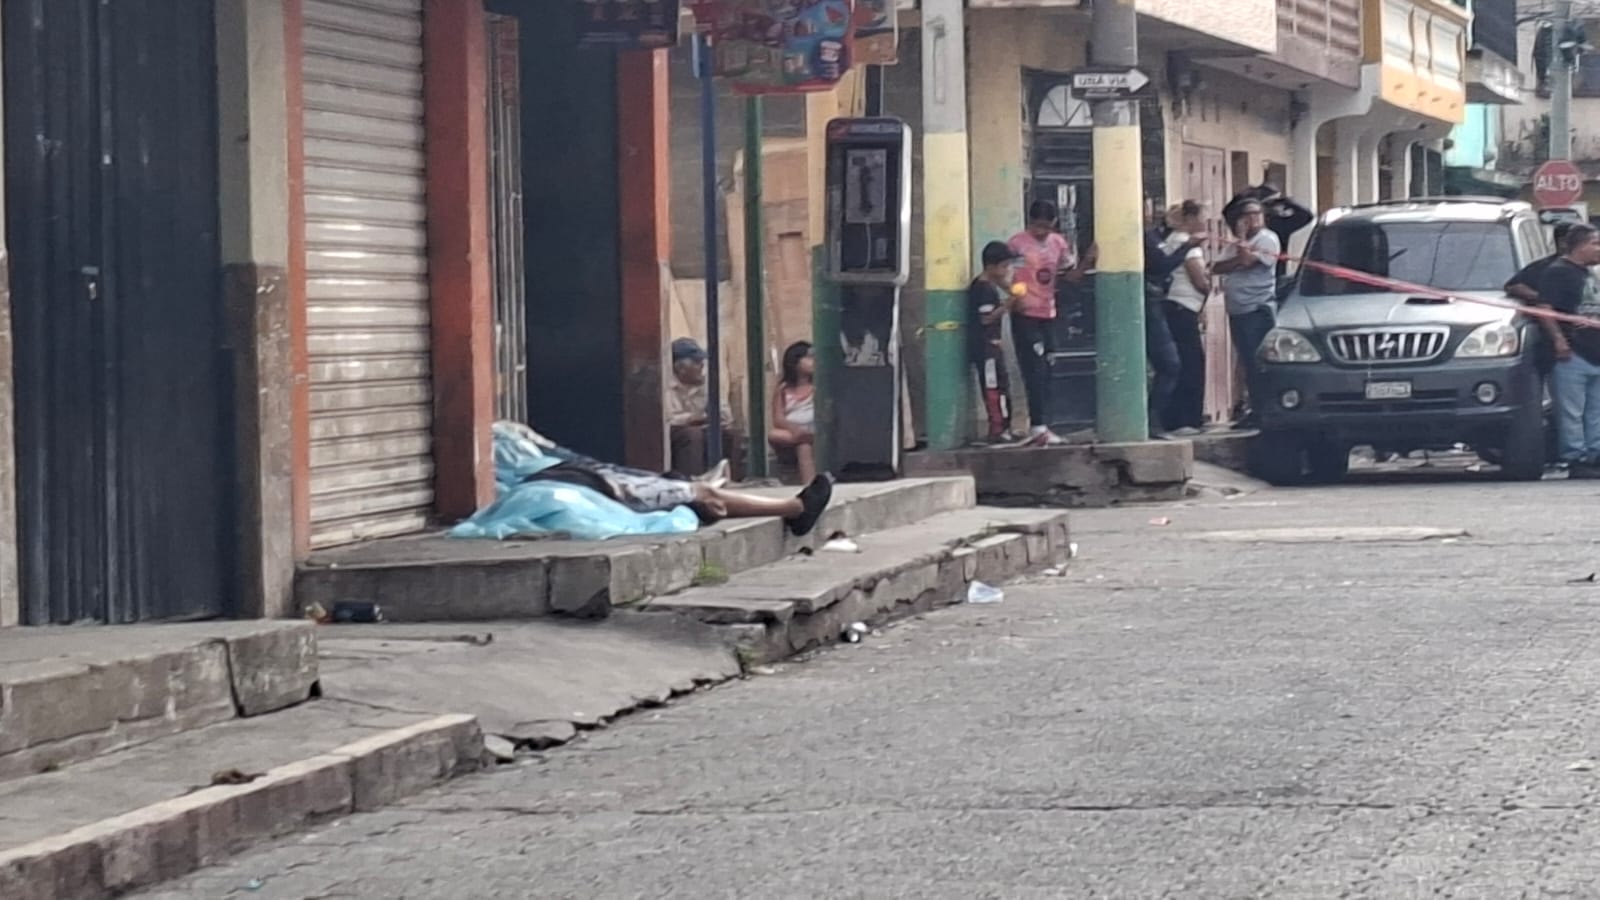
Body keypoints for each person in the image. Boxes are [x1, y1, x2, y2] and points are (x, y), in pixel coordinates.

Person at [505, 422, 835, 536]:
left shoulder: (509, 443)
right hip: (582, 485)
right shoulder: (510, 459)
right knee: (698, 494)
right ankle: (794, 508)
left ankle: (702, 486)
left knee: (678, 484)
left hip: (582, 479)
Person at [1008, 200, 1096, 446]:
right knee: (1033, 369)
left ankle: (1043, 423)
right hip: (1025, 315)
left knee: (1048, 370)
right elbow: (1006, 275)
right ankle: (1037, 426)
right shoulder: (1017, 245)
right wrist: (1015, 299)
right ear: (1029, 223)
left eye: (1046, 227)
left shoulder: (1058, 243)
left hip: (1049, 314)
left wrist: (1088, 260)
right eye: (1037, 227)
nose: (1041, 232)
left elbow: (1070, 276)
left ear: (1054, 225)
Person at [1535, 223, 1600, 476]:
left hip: (1595, 352)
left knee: (1596, 410)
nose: (1599, 249)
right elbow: (1545, 309)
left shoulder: (1591, 274)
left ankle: (1595, 453)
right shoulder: (1558, 272)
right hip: (1572, 352)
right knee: (1572, 411)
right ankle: (1575, 458)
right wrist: (1558, 340)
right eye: (1595, 244)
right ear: (1579, 246)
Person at [1212, 199, 1281, 428]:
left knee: (1257, 361)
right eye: (1247, 215)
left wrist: (1241, 244)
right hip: (1238, 309)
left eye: (1256, 214)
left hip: (1257, 308)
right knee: (1246, 360)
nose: (1252, 219)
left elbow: (1248, 260)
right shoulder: (1235, 244)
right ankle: (1253, 408)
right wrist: (1238, 253)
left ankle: (1264, 410)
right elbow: (1216, 267)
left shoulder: (1267, 239)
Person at [1160, 202, 1213, 433]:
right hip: (1184, 306)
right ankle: (1188, 419)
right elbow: (1199, 281)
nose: (1205, 223)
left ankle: (1176, 417)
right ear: (1190, 219)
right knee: (1192, 363)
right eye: (1202, 218)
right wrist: (1210, 286)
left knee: (1181, 361)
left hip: (1173, 305)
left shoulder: (1170, 241)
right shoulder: (1188, 245)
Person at [1506, 221, 1575, 380]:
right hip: (1559, 344)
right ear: (1563, 242)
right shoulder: (1546, 268)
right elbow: (1513, 285)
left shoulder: (1590, 268)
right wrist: (1541, 296)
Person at [968, 241, 1022, 442]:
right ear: (990, 267)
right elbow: (986, 318)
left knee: (1002, 385)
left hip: (993, 346)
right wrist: (1009, 303)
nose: (1007, 270)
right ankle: (997, 429)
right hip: (986, 348)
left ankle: (1005, 427)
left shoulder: (991, 285)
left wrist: (1008, 288)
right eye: (1004, 266)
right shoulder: (984, 289)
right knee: (993, 388)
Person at [666, 337, 741, 480]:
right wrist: (692, 418)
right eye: (696, 362)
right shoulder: (666, 386)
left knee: (730, 434)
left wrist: (719, 417)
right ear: (680, 368)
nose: (701, 366)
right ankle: (692, 480)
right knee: (692, 435)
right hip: (676, 431)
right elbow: (668, 419)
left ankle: (728, 479)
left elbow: (725, 413)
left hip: (702, 426)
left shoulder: (704, 383)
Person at [1222, 184, 1313, 281]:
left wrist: (1285, 201)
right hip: (1247, 279)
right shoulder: (1245, 225)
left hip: (1272, 280)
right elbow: (1228, 212)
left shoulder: (1278, 223)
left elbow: (1306, 215)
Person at [768, 341, 817, 484]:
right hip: (792, 432)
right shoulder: (783, 389)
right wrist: (794, 429)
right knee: (773, 434)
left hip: (813, 430)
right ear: (795, 362)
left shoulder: (817, 386)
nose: (813, 362)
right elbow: (778, 418)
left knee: (804, 446)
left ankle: (810, 485)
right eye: (808, 358)